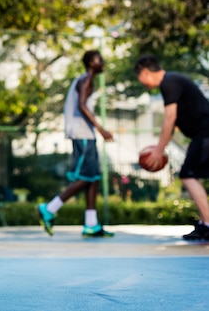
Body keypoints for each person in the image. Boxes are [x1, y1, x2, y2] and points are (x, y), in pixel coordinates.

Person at [37, 50, 115, 237]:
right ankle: (49, 208)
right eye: (99, 59)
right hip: (82, 134)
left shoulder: (85, 79)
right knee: (84, 177)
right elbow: (82, 105)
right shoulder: (85, 80)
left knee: (93, 177)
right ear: (90, 63)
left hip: (85, 133)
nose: (102, 62)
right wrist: (101, 128)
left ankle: (91, 224)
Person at [134, 54, 209, 241]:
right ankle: (204, 223)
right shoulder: (173, 81)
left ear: (145, 72)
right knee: (191, 174)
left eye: (139, 77)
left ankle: (207, 224)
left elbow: (169, 118)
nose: (141, 82)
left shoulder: (169, 82)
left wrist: (159, 150)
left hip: (206, 133)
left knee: (188, 174)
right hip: (203, 133)